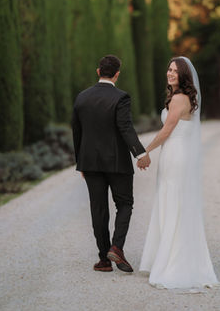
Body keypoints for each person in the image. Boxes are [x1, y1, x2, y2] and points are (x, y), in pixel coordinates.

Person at [138, 56, 220, 292]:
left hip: (176, 156)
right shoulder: (180, 98)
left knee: (174, 203)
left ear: (184, 75)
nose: (170, 73)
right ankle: (168, 255)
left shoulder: (180, 99)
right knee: (173, 202)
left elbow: (167, 130)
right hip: (174, 154)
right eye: (169, 69)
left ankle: (174, 263)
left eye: (175, 71)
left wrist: (145, 151)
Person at [71, 54, 150, 274]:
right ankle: (116, 247)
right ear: (117, 74)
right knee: (124, 204)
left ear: (98, 72)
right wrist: (140, 153)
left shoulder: (81, 98)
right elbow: (125, 128)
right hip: (117, 163)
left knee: (98, 209)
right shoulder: (121, 97)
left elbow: (76, 132)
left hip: (90, 163)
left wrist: (81, 163)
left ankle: (104, 260)